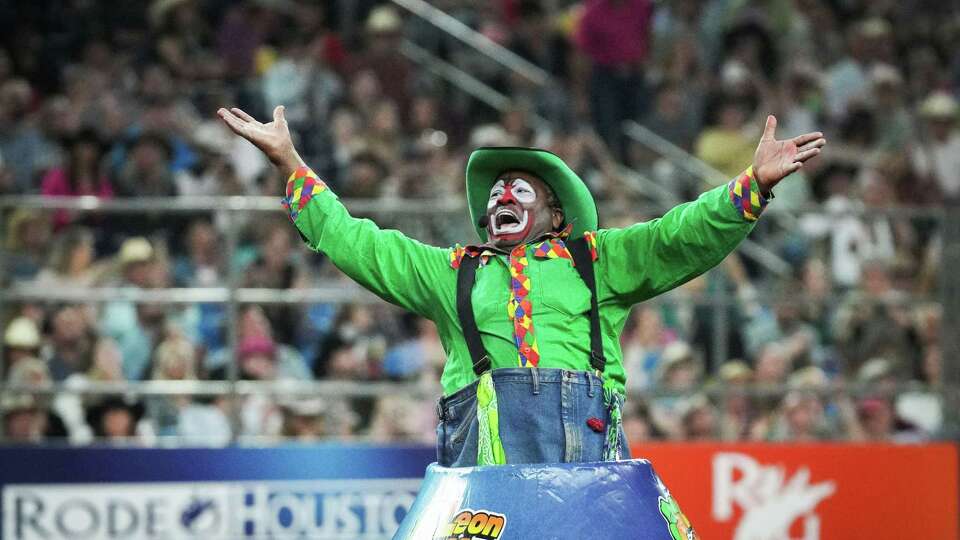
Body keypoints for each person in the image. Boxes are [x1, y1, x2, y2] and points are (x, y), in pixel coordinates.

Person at [217, 104, 825, 466]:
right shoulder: (450, 271)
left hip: (589, 466)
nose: (501, 196)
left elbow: (679, 235)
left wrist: (751, 185)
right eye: (495, 192)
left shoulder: (599, 260)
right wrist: (292, 167)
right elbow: (360, 243)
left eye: (519, 188)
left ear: (557, 214)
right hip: (481, 474)